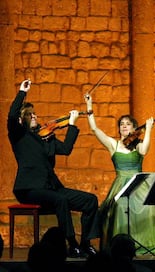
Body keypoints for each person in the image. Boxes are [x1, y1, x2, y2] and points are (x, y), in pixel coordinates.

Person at [7, 79, 100, 258]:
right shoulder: (19, 136)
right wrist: (22, 92)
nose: (34, 116)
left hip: (51, 187)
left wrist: (72, 124)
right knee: (60, 200)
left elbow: (66, 149)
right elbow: (11, 116)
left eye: (35, 114)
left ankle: (85, 243)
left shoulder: (46, 138)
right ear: (21, 119)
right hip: (29, 189)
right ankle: (72, 245)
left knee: (90, 200)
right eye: (29, 115)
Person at [84, 93, 155, 253]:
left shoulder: (137, 144)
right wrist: (89, 106)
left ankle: (145, 244)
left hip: (139, 185)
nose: (124, 126)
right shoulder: (113, 144)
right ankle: (120, 248)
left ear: (134, 128)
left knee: (148, 207)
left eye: (128, 124)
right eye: (121, 124)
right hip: (121, 184)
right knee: (120, 206)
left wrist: (148, 130)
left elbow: (144, 150)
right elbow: (94, 129)